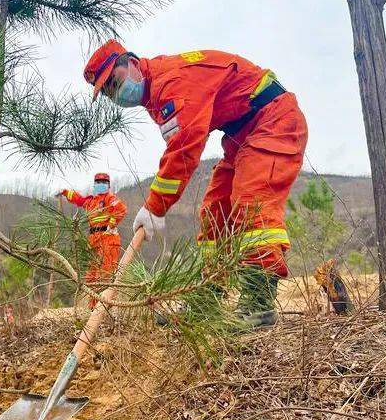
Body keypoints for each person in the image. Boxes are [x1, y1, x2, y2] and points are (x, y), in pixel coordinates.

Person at [83, 41, 307, 328]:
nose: (116, 94)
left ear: (134, 64)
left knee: (252, 203)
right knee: (214, 212)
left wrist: (155, 207)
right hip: (241, 134)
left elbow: (184, 149)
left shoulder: (171, 82)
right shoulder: (155, 92)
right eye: (108, 92)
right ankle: (205, 301)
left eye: (115, 82)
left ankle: (258, 305)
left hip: (273, 119)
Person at [58, 173, 127, 307]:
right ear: (94, 184)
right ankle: (93, 307)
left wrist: (111, 224)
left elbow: (121, 209)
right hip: (93, 239)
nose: (101, 184)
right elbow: (78, 199)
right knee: (91, 276)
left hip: (107, 238)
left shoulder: (109, 198)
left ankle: (106, 306)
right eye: (98, 181)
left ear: (108, 185)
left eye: (103, 182)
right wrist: (65, 192)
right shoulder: (91, 201)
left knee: (106, 274)